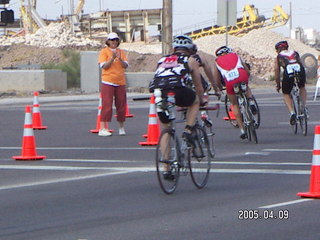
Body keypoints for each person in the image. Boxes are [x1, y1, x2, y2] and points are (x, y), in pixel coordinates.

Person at [149, 34, 207, 180]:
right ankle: (188, 129)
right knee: (194, 102)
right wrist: (202, 99)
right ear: (190, 50)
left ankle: (166, 168)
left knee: (166, 129)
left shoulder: (162, 59)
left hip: (160, 92)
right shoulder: (191, 60)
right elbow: (199, 86)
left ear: (174, 48)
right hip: (179, 90)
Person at [213, 46, 256, 139]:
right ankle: (251, 101)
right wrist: (247, 76)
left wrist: (220, 88)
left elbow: (216, 80)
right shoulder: (236, 55)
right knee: (246, 87)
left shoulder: (217, 61)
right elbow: (246, 70)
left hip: (229, 81)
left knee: (235, 104)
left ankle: (242, 130)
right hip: (241, 75)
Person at [98, 32, 129, 136]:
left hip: (120, 82)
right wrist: (112, 58)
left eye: (116, 40)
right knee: (107, 104)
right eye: (112, 40)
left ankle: (121, 127)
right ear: (108, 41)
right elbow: (104, 66)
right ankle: (103, 128)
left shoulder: (121, 52)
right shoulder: (104, 52)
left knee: (121, 105)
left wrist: (119, 58)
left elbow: (125, 65)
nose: (114, 42)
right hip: (108, 81)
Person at [274, 40, 307, 125]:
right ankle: (303, 106)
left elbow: (277, 72)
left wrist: (278, 85)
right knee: (302, 87)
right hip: (300, 69)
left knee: (286, 93)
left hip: (288, 72)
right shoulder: (295, 52)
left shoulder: (279, 56)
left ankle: (292, 112)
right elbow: (301, 63)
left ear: (278, 49)